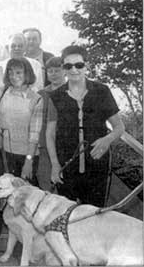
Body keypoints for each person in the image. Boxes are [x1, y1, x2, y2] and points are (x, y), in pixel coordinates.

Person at [0, 57, 43, 265]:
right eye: (12, 72)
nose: (15, 77)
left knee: (25, 204)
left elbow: (35, 133)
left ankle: (23, 251)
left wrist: (29, 161)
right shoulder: (1, 92)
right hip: (2, 154)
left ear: (27, 75)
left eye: (19, 73)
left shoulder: (36, 98)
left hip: (26, 157)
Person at [46, 45, 124, 207]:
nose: (74, 70)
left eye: (79, 65)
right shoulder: (55, 96)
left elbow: (119, 127)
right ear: (64, 68)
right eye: (68, 66)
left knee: (95, 216)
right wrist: (54, 165)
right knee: (67, 217)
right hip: (66, 165)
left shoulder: (102, 91)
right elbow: (50, 134)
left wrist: (106, 140)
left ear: (86, 65)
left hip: (97, 164)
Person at [36, 57, 66, 191]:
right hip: (44, 147)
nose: (53, 74)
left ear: (64, 71)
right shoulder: (41, 94)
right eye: (50, 71)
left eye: (57, 71)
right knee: (45, 185)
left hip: (66, 147)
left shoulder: (71, 91)